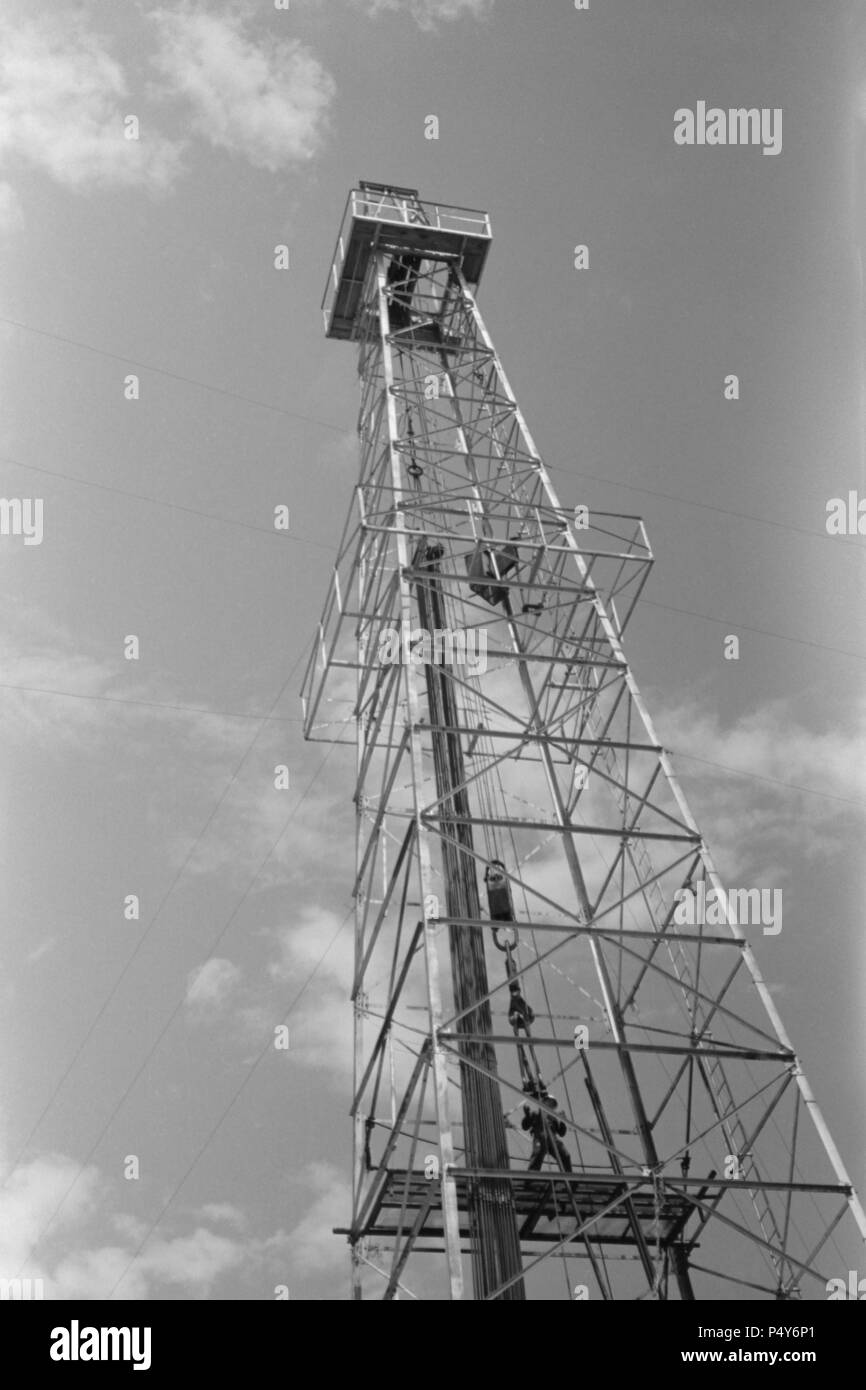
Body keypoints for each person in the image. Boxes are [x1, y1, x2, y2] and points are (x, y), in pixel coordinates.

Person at [522, 1086, 572, 1173]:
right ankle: (532, 1179)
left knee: (565, 1155)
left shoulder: (553, 1118)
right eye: (548, 1102)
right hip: (540, 1138)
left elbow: (561, 1133)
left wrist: (563, 1121)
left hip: (553, 1140)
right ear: (544, 1103)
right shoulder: (536, 1114)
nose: (550, 1105)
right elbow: (525, 1126)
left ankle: (568, 1176)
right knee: (537, 1156)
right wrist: (527, 1115)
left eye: (552, 1104)